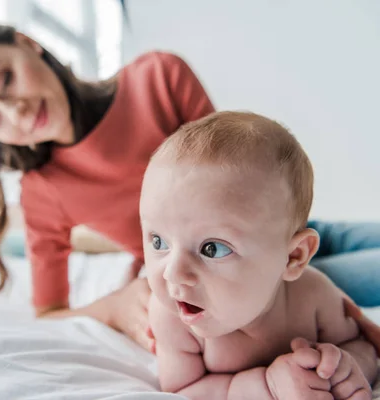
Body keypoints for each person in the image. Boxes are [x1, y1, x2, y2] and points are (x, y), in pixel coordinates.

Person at [0, 20, 380, 354]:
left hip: (296, 228)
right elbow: (48, 311)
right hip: (252, 273)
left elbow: (239, 167)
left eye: (5, 79)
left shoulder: (159, 77)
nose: (16, 111)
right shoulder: (42, 190)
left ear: (28, 44)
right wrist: (115, 305)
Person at [143, 111, 376, 399]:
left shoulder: (313, 296)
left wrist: (346, 368)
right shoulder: (171, 318)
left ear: (293, 258)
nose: (173, 273)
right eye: (158, 242)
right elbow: (182, 388)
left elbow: (361, 345)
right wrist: (267, 386)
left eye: (211, 249)